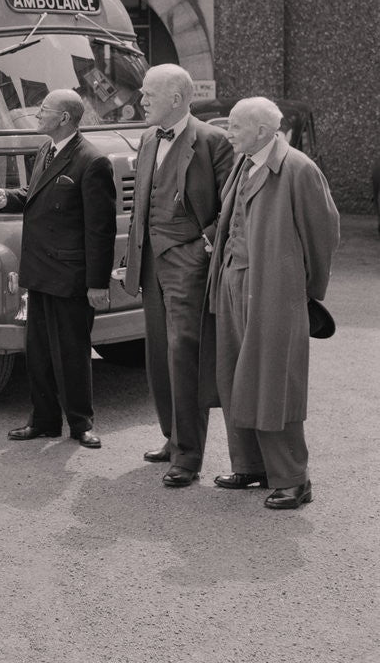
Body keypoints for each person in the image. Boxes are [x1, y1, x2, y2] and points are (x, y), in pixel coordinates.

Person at [199, 97, 339, 510]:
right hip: (232, 284)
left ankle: (293, 478)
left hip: (273, 292)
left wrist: (298, 289)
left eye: (236, 127)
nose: (228, 133)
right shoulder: (245, 162)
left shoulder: (298, 168)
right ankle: (251, 466)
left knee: (274, 383)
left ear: (262, 131)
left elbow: (323, 236)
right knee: (234, 377)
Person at [0, 89, 116, 449]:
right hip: (40, 271)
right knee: (38, 351)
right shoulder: (47, 149)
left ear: (65, 119)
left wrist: (96, 284)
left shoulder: (92, 161)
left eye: (44, 110)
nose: (37, 114)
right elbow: (36, 193)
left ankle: (80, 423)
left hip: (70, 277)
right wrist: (7, 197)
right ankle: (43, 420)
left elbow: (100, 230)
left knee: (72, 352)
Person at [123, 65, 233, 487]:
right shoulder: (149, 137)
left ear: (176, 98)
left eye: (149, 93)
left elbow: (229, 206)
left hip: (188, 260)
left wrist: (203, 246)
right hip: (151, 262)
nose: (141, 99)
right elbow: (143, 206)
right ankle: (171, 437)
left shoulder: (213, 141)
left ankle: (189, 455)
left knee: (185, 354)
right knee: (158, 356)